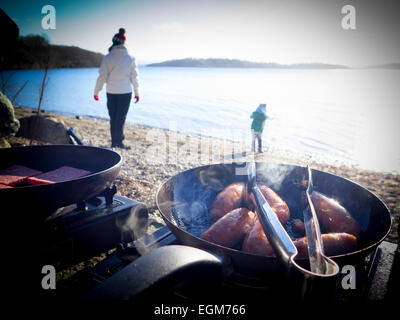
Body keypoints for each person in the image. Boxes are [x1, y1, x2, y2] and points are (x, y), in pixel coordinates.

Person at [94, 28, 139, 149]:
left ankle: (115, 142)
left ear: (114, 42)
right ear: (124, 43)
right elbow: (134, 77)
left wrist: (96, 91)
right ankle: (119, 142)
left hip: (111, 92)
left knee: (113, 117)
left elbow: (102, 76)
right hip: (125, 92)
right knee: (121, 118)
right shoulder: (130, 58)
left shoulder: (108, 57)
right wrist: (137, 92)